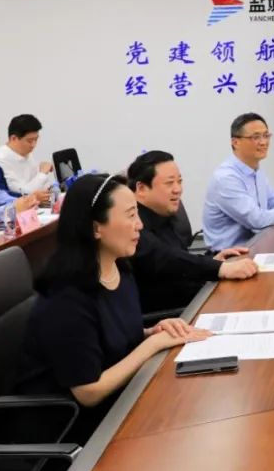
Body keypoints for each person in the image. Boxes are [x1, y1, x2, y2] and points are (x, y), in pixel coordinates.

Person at [17, 173, 211, 442]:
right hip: (72, 430)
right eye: (131, 215)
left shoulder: (119, 267)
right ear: (96, 228)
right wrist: (151, 345)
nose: (140, 225)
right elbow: (88, 392)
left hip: (121, 403)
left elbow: (108, 338)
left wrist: (151, 332)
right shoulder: (66, 298)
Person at [128, 150, 258, 313]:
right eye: (169, 183)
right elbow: (164, 258)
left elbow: (179, 260)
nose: (178, 189)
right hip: (173, 314)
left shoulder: (163, 215)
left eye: (179, 181)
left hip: (194, 297)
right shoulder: (132, 224)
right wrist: (219, 268)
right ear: (141, 188)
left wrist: (212, 260)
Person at [202, 113, 274, 249]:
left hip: (257, 244)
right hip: (230, 256)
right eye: (256, 137)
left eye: (266, 136)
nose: (263, 142)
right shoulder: (226, 178)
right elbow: (256, 220)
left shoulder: (255, 170)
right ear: (235, 142)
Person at [0, 113, 56, 198]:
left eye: (36, 139)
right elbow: (21, 193)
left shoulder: (26, 153)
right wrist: (42, 173)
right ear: (13, 138)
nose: (33, 145)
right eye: (29, 141)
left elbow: (42, 187)